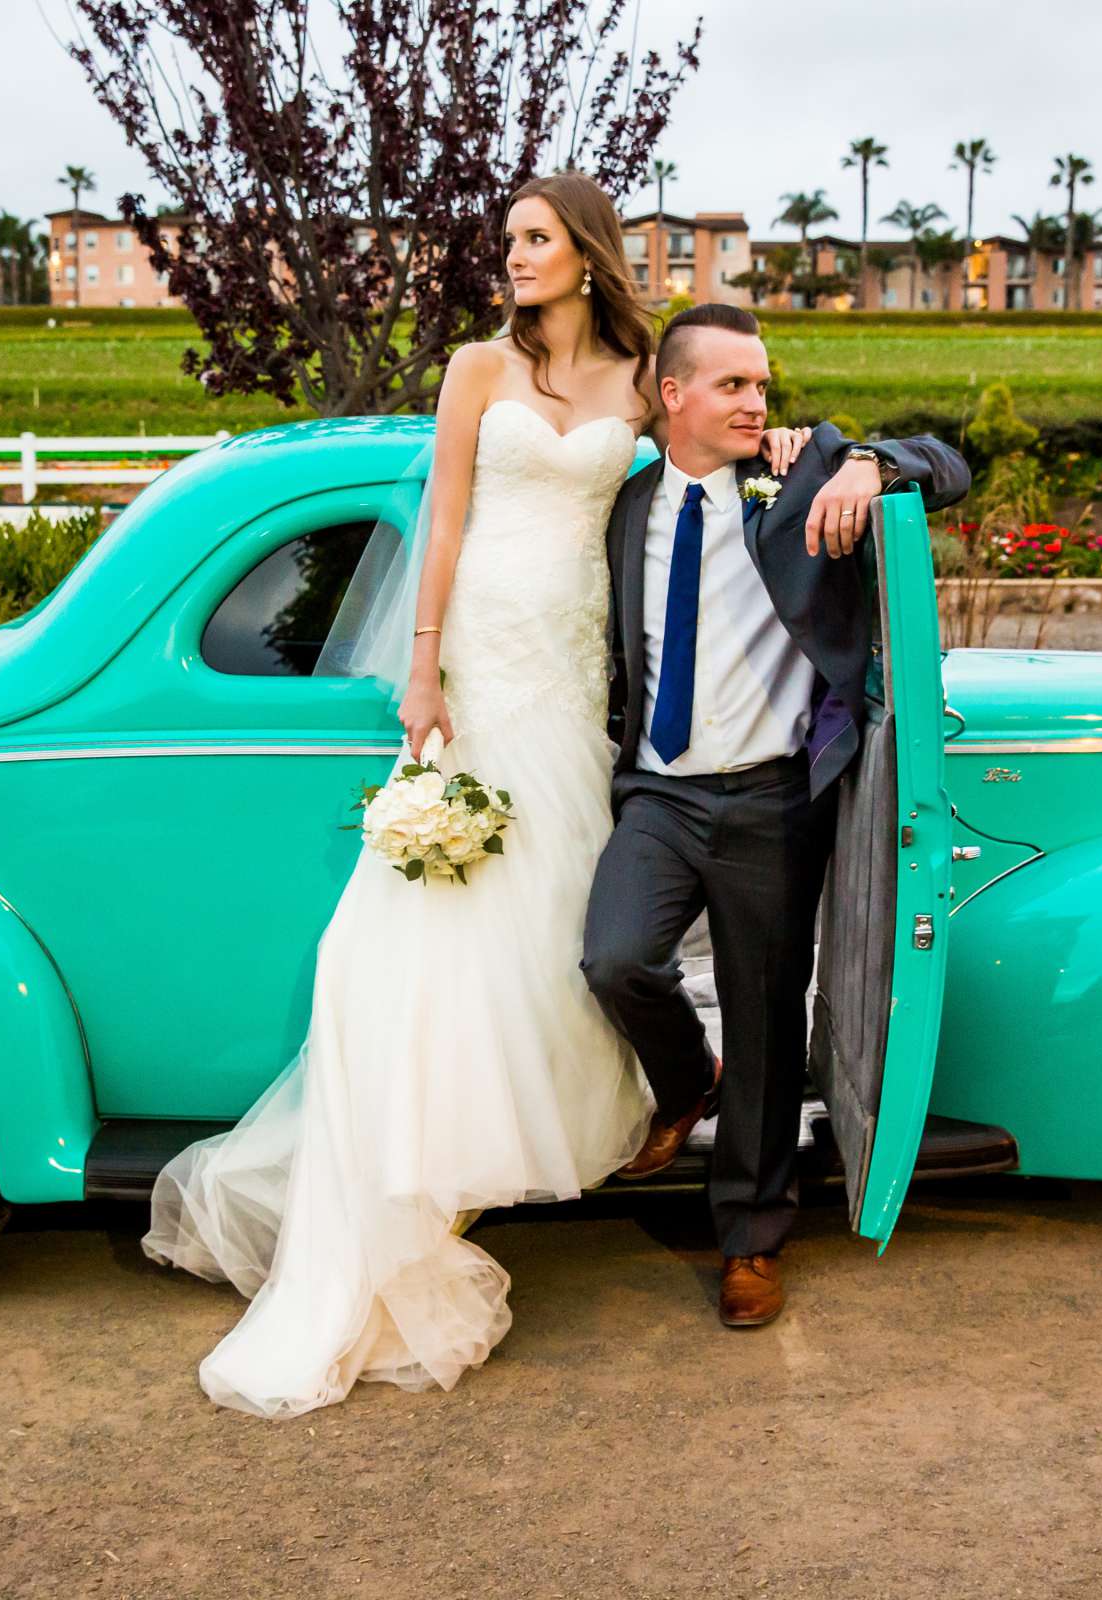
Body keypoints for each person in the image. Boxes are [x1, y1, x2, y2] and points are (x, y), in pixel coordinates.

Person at [141, 171, 815, 1418]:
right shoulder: (475, 369)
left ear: (585, 253)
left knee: (558, 933)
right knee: (422, 939)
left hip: (573, 682)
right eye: (507, 240)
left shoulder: (637, 379)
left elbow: (686, 487)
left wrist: (782, 444)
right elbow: (442, 520)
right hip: (476, 676)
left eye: (536, 240)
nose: (512, 258)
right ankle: (410, 1172)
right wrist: (420, 669)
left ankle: (603, 1127)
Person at [581, 302, 971, 1330]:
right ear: (675, 397)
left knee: (766, 1020)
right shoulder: (625, 512)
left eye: (763, 384)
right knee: (614, 957)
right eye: (734, 385)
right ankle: (681, 1079)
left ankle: (750, 1237)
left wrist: (868, 464)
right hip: (660, 791)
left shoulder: (805, 473)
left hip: (770, 795)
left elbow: (950, 464)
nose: (758, 402)